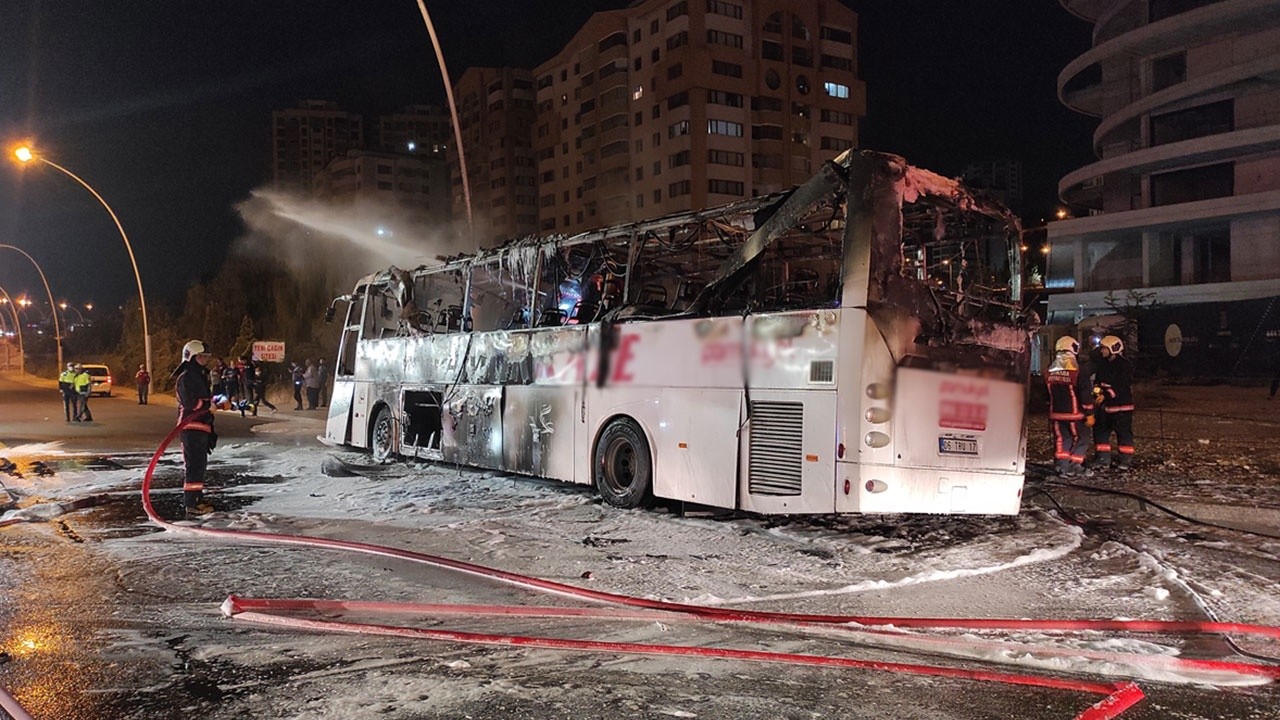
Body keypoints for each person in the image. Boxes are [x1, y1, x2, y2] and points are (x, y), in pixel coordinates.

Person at [173, 339, 216, 516]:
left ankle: (197, 498)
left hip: (202, 426)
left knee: (200, 465)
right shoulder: (185, 378)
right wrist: (207, 405)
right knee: (193, 465)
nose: (205, 360)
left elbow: (205, 399)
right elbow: (189, 401)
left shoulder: (200, 376)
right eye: (201, 357)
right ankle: (191, 503)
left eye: (206, 357)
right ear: (190, 357)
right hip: (190, 426)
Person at [1046, 336, 1091, 477]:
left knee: (1062, 439)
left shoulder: (1049, 372)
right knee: (1081, 438)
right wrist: (1090, 413)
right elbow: (1085, 396)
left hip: (1056, 414)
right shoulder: (1078, 372)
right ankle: (1075, 465)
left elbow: (1045, 395)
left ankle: (1062, 466)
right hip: (1075, 415)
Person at [1092, 335, 1136, 471]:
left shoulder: (1124, 365)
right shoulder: (1102, 364)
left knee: (1123, 434)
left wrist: (1105, 395)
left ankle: (1125, 460)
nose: (1102, 351)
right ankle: (1103, 459)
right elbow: (1098, 382)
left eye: (1105, 348)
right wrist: (1097, 394)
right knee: (1100, 432)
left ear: (1113, 349)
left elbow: (1120, 386)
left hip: (1121, 408)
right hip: (1105, 408)